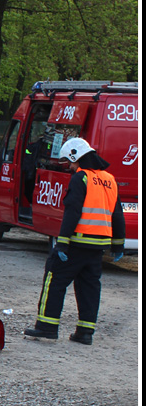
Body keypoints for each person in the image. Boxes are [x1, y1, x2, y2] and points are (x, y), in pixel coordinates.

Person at [24, 138, 125, 345]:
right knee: (89, 287)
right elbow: (117, 215)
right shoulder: (110, 179)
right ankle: (85, 332)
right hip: (98, 246)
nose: (69, 166)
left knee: (54, 279)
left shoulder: (81, 178)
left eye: (70, 162)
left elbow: (73, 211)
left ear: (76, 157)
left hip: (77, 242)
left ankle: (46, 327)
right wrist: (118, 244)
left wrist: (62, 242)